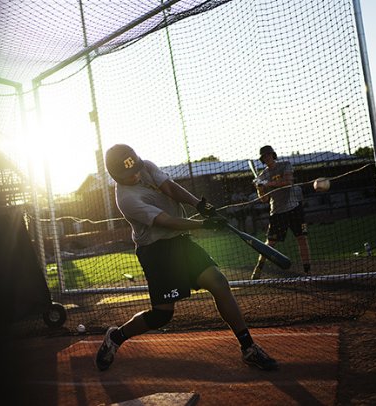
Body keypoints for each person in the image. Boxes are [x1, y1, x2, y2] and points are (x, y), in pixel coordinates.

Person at [95, 144, 278, 372]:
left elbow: (170, 188)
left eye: (136, 168)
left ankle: (249, 349)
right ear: (116, 176)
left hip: (180, 241)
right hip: (156, 252)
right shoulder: (126, 199)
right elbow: (165, 221)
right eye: (128, 174)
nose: (135, 175)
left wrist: (199, 205)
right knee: (162, 315)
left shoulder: (146, 167)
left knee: (219, 283)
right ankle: (116, 337)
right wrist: (203, 224)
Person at [250, 145, 311, 280]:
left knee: (301, 238)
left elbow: (288, 182)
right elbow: (264, 200)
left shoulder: (285, 165)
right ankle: (259, 268)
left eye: (269, 155)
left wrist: (267, 183)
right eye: (264, 157)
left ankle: (307, 271)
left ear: (273, 155)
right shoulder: (262, 175)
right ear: (262, 160)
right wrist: (259, 188)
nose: (267, 158)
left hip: (294, 208)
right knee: (270, 243)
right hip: (277, 212)